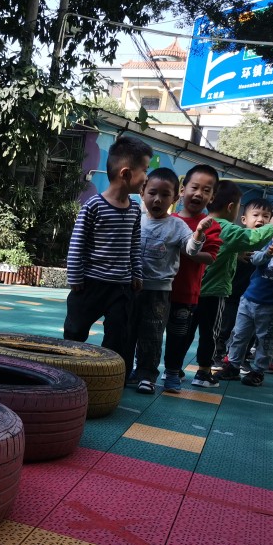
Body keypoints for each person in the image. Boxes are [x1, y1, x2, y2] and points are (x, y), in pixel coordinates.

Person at [63, 135, 151, 375]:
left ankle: (109, 376)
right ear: (126, 173)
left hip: (121, 287)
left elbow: (134, 245)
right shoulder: (94, 206)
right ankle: (68, 371)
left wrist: (136, 273)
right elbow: (77, 243)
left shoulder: (134, 209)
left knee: (118, 335)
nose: (146, 177)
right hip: (90, 284)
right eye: (145, 170)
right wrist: (75, 277)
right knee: (75, 330)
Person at [127, 167, 207, 394]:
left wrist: (198, 234)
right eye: (152, 193)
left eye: (165, 195)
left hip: (159, 291)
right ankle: (124, 371)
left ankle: (147, 375)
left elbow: (190, 249)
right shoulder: (135, 218)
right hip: (130, 287)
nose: (157, 199)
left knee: (152, 334)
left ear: (174, 198)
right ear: (142, 192)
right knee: (126, 331)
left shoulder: (177, 225)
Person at [217, 200, 273, 387]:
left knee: (265, 340)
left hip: (272, 305)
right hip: (249, 298)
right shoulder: (266, 240)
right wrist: (267, 253)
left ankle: (258, 370)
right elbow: (255, 259)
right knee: (239, 334)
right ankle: (232, 365)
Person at [199, 192, 273, 376]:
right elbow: (239, 243)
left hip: (252, 296)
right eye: (256, 215)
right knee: (224, 326)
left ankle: (240, 358)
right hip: (232, 294)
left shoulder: (268, 241)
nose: (261, 219)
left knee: (247, 330)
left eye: (266, 216)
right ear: (243, 219)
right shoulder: (239, 236)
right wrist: (237, 254)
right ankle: (218, 355)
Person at [161, 165, 222, 392]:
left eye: (206, 190)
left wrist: (190, 251)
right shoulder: (167, 219)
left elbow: (211, 257)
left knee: (178, 337)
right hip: (158, 289)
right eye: (194, 187)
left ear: (212, 197)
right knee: (149, 331)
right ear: (182, 190)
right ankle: (144, 369)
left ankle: (172, 372)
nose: (198, 194)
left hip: (186, 292)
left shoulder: (210, 225)